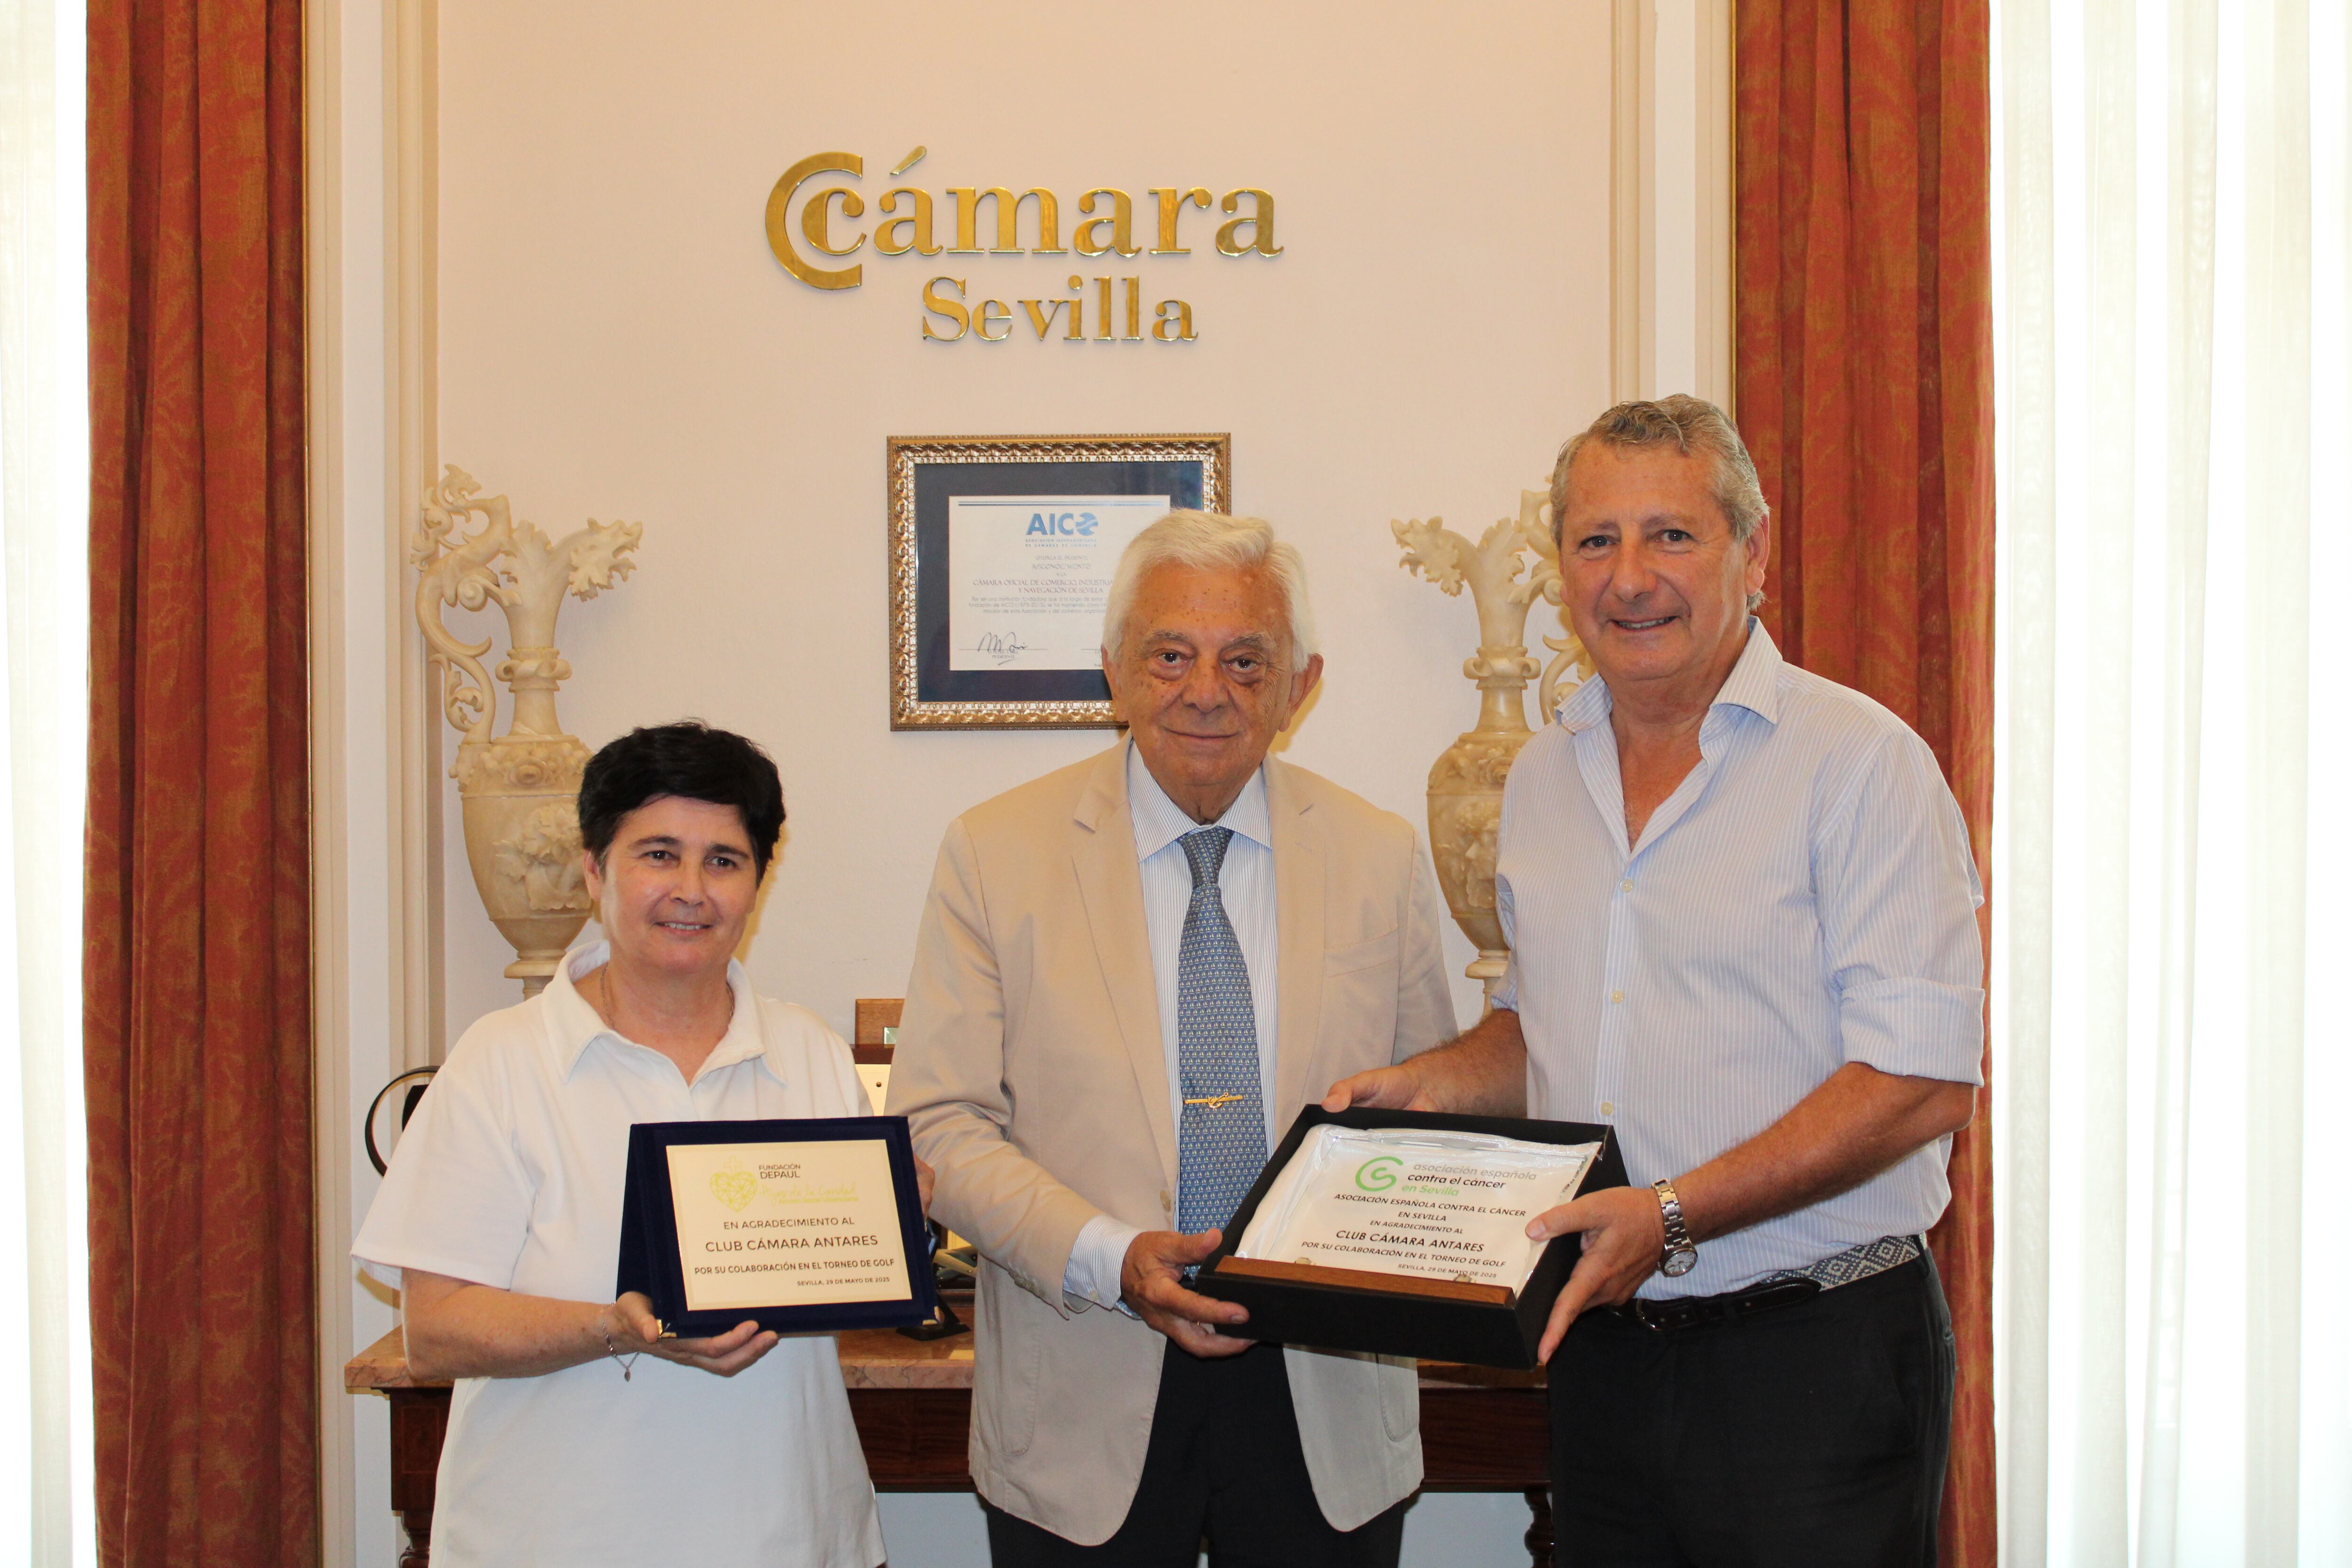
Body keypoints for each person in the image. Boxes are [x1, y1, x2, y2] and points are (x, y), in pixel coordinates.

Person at [1326, 397, 1983, 1567]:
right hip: (1606, 1355)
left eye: (1670, 536)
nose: (1630, 578)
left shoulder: (1863, 766)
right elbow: (1545, 1024)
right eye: (1595, 540)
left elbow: (1921, 1080)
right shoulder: (1539, 776)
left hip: (1813, 1357)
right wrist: (1423, 1091)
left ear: (1755, 551)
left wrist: (1672, 1212)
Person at [889, 511, 1459, 1566]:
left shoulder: (1379, 856)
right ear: (1113, 670)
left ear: (1301, 683)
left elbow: (1427, 1111)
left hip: (1321, 1396)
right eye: (1170, 655)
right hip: (1083, 1383)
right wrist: (1114, 1258)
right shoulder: (994, 854)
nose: (1208, 690)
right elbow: (939, 1123)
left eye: (1247, 660)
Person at [353, 721, 918, 1568]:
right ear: (594, 868)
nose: (690, 889)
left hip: (791, 1537)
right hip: (555, 1542)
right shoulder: (499, 1063)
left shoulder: (810, 1054)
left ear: (758, 881)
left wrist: (899, 1217)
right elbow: (434, 1330)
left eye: (723, 860)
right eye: (658, 853)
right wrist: (616, 1327)